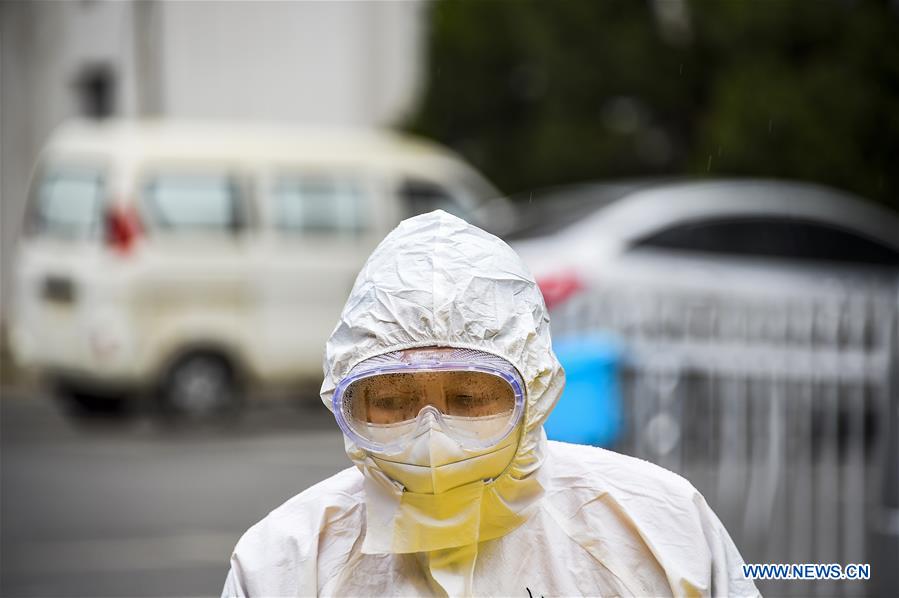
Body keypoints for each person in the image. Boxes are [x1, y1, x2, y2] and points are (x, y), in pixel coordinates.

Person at [222, 210, 759, 597]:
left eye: (470, 397)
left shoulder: (659, 530)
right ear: (345, 403)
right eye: (391, 400)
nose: (432, 437)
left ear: (536, 392)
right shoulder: (284, 565)